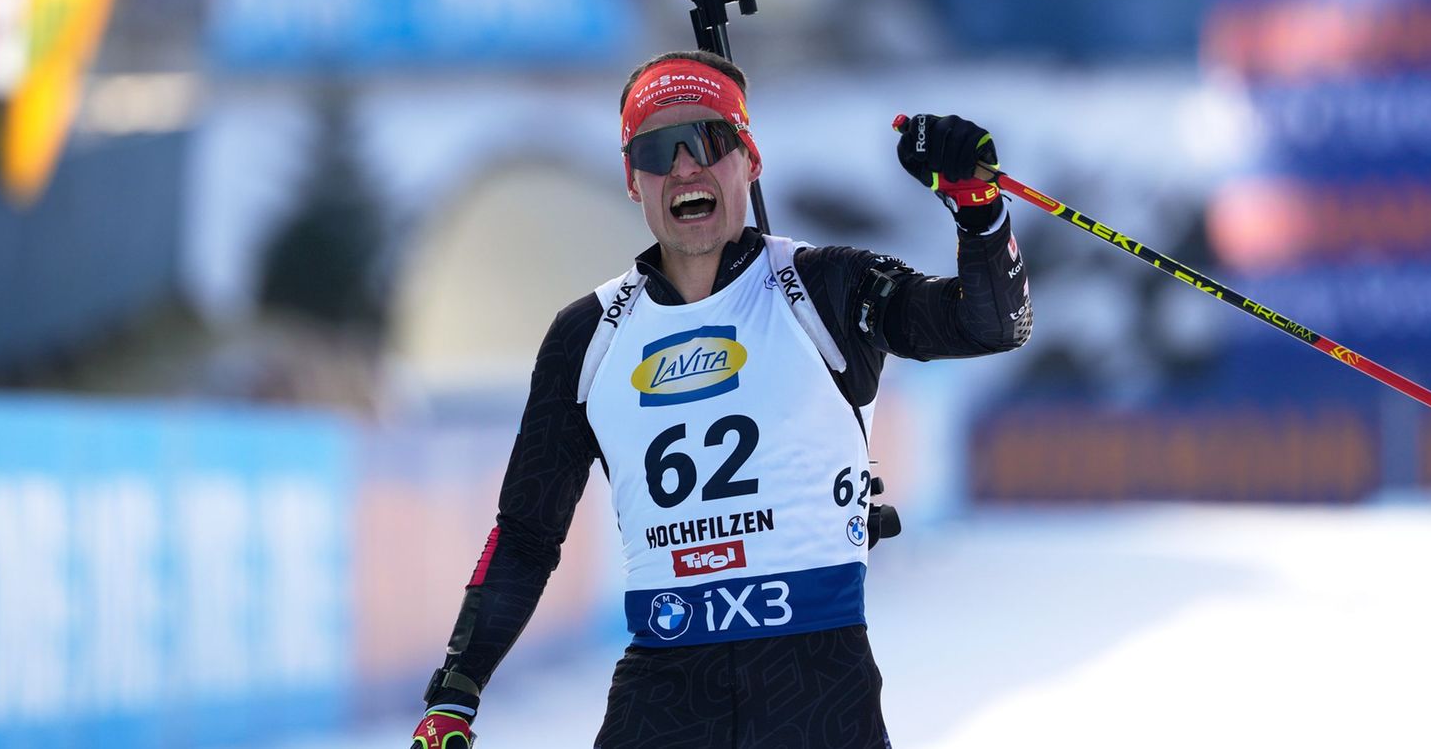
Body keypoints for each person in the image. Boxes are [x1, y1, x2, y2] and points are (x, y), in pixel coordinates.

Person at [411, 50, 1032, 749]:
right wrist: (455, 693)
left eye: (709, 140)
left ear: (750, 159)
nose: (684, 167)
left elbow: (993, 324)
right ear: (630, 178)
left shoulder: (826, 290)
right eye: (656, 148)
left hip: (817, 693)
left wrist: (979, 217)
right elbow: (525, 534)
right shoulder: (588, 336)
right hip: (665, 695)